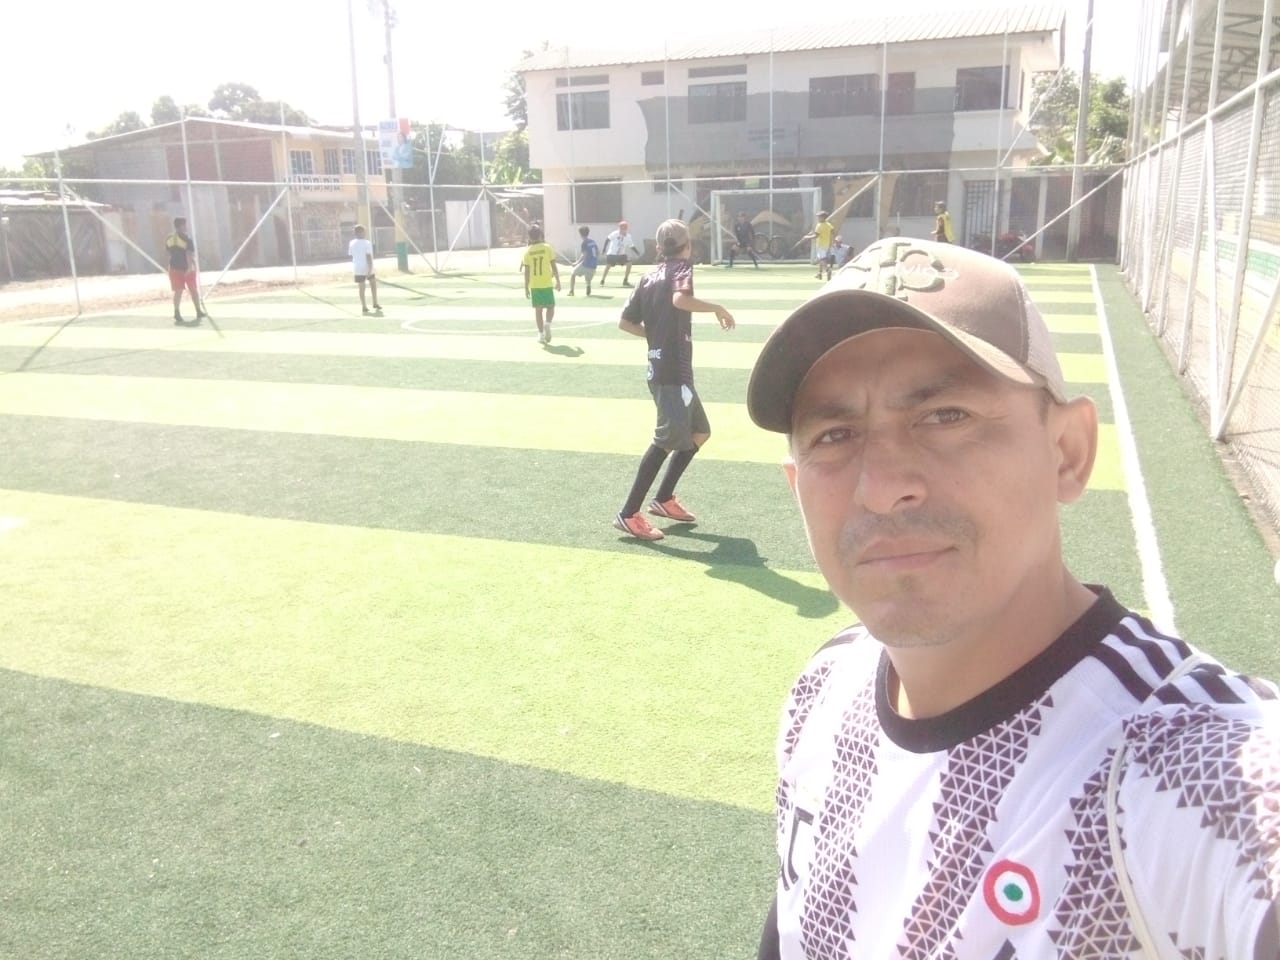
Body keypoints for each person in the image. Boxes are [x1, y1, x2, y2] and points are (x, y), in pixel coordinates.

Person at [746, 237, 1280, 960]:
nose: (881, 487)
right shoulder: (822, 691)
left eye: (946, 416)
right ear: (796, 487)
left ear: (1068, 451)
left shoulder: (1184, 771)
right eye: (835, 435)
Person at [613, 219, 735, 541]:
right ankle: (628, 514)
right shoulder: (682, 267)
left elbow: (625, 322)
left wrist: (655, 338)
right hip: (671, 373)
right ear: (688, 247)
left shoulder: (647, 276)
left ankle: (664, 499)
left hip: (666, 370)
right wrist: (718, 308)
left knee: (700, 432)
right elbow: (680, 300)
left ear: (658, 248)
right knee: (664, 441)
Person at [164, 217, 208, 326]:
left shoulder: (169, 238)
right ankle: (198, 311)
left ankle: (177, 312)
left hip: (173, 268)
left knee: (178, 291)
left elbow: (169, 252)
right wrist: (191, 267)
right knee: (193, 290)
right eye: (184, 224)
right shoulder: (187, 239)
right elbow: (190, 254)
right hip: (186, 269)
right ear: (180, 226)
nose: (186, 226)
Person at [521, 223, 560, 344]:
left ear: (529, 237)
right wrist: (558, 281)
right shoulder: (547, 248)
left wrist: (526, 288)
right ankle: (547, 323)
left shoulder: (527, 251)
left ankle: (541, 334)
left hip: (535, 285)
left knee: (538, 311)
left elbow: (526, 272)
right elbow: (554, 266)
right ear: (540, 235)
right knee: (551, 307)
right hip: (546, 283)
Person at [348, 225, 382, 315]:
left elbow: (351, 254)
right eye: (364, 231)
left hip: (357, 267)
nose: (365, 233)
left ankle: (364, 306)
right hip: (366, 266)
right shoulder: (367, 243)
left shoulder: (351, 243)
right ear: (360, 232)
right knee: (373, 284)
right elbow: (368, 256)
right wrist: (370, 269)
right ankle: (375, 302)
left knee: (361, 287)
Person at [600, 220, 641, 287]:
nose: (622, 230)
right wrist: (604, 249)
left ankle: (625, 280)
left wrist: (637, 252)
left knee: (629, 263)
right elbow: (607, 239)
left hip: (621, 255)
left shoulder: (628, 236)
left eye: (624, 228)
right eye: (621, 228)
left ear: (626, 229)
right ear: (619, 228)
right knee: (608, 266)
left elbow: (631, 245)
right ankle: (602, 280)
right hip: (612, 253)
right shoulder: (615, 233)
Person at [804, 210, 836, 280]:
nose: (818, 218)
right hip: (826, 244)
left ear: (823, 217)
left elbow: (816, 236)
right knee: (820, 259)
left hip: (821, 245)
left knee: (822, 259)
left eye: (819, 217)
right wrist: (832, 240)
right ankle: (819, 273)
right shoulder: (828, 224)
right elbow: (833, 231)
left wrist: (807, 237)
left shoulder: (819, 225)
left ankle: (828, 269)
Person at [568, 225, 598, 296]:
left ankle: (571, 291)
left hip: (586, 265)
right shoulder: (593, 242)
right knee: (588, 277)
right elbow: (597, 252)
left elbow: (584, 255)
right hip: (594, 266)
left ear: (580, 234)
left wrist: (576, 263)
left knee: (573, 274)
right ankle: (588, 285)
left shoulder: (584, 243)